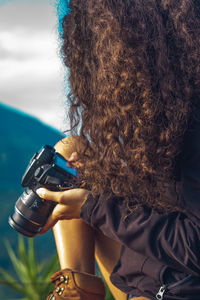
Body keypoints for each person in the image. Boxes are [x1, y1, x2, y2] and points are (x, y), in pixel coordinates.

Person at [36, 0, 200, 299]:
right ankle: (77, 288)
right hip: (139, 277)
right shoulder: (161, 109)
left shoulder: (193, 120)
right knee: (72, 152)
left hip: (173, 289)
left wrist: (94, 207)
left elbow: (194, 246)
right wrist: (106, 181)